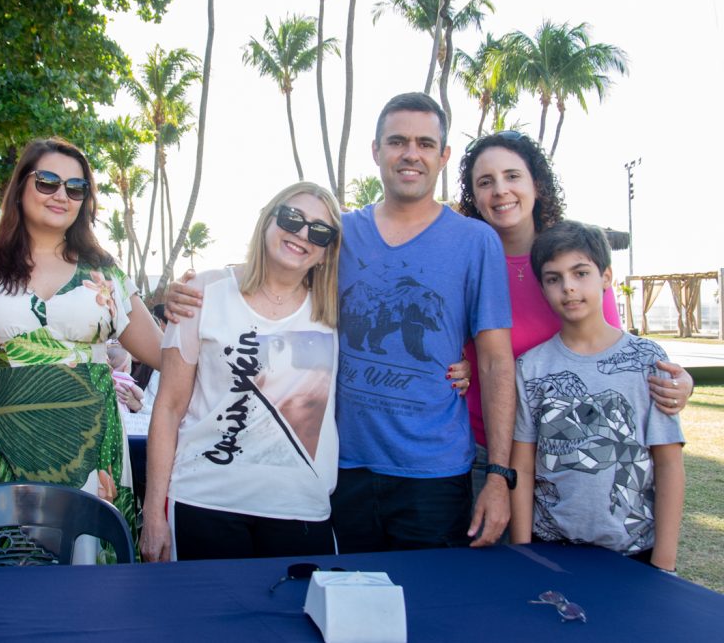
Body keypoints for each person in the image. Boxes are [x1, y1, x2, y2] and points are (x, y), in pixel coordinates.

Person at [167, 94, 508, 551]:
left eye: (426, 144)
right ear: (376, 150)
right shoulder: (339, 234)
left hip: (433, 472)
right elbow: (274, 279)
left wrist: (500, 475)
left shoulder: (475, 242)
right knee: (346, 610)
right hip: (344, 470)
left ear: (443, 156)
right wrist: (197, 289)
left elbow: (495, 364)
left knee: (426, 612)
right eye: (398, 141)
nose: (411, 154)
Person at [457, 131, 693, 498]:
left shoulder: (574, 263)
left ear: (536, 184)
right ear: (474, 197)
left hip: (568, 452)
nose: (500, 190)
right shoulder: (466, 264)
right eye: (485, 182)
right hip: (484, 455)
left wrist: (679, 384)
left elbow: (614, 356)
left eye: (512, 176)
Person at [0, 137, 162, 539]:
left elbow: (163, 354)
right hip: (1, 444)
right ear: (21, 186)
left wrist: (198, 310)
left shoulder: (105, 271)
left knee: (87, 571)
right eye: (48, 181)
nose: (61, 195)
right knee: (3, 564)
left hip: (91, 447)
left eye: (75, 187)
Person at [141, 182, 342, 562]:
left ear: (325, 252)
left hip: (299, 506)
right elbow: (168, 408)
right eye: (292, 218)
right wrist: (153, 513)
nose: (302, 233)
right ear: (267, 219)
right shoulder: (202, 293)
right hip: (205, 499)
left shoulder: (334, 310)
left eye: (319, 231)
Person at [509, 221, 685, 572]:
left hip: (634, 549)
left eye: (580, 273)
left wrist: (664, 562)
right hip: (551, 546)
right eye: (554, 278)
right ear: (543, 287)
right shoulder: (531, 366)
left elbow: (668, 463)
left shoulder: (648, 359)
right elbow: (524, 466)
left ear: (606, 277)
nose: (569, 288)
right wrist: (523, 552)